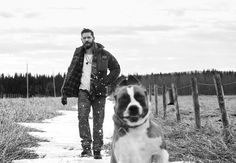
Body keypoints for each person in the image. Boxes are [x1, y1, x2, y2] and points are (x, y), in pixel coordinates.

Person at [61, 28, 120, 159]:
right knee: (82, 119)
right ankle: (86, 148)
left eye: (89, 37)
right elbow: (70, 72)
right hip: (83, 91)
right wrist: (64, 92)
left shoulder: (104, 54)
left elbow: (116, 68)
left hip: (99, 93)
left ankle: (97, 149)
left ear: (93, 38)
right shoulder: (78, 54)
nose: (86, 39)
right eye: (84, 38)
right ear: (81, 39)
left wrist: (105, 82)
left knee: (98, 121)